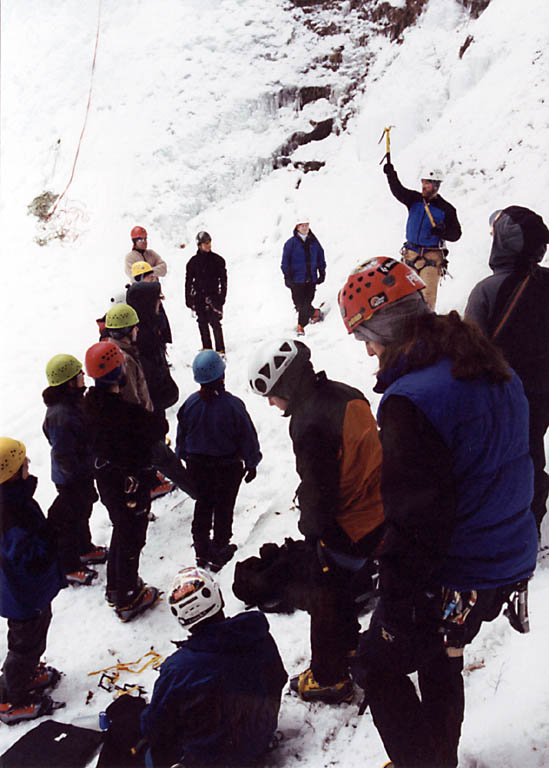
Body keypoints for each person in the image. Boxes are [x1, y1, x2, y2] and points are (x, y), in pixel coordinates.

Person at [338, 257, 537, 768]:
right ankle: (439, 757)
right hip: (501, 563)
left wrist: (399, 604)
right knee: (443, 653)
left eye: (367, 336)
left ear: (387, 328)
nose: (368, 350)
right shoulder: (491, 365)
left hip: (455, 570)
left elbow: (415, 521)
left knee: (376, 665)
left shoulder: (411, 401)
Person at [248, 338, 385, 704]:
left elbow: (319, 490)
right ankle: (352, 646)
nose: (271, 403)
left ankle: (329, 676)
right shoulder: (345, 393)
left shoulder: (309, 423)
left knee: (325, 590)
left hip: (350, 525)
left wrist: (313, 535)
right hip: (378, 512)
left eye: (273, 394)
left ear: (287, 384)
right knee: (340, 586)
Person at [140, 566, 287, 767]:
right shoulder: (256, 634)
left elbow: (154, 728)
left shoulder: (179, 669)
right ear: (218, 597)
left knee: (140, 747)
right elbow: (279, 678)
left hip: (212, 761)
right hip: (258, 738)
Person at [465, 206, 549, 536]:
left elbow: (470, 350)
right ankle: (532, 520)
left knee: (504, 461)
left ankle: (511, 529)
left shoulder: (487, 290)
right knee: (532, 450)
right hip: (544, 390)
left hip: (502, 393)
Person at [83, 342, 162, 622]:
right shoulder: (124, 414)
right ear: (118, 373)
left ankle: (116, 587)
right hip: (129, 482)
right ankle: (127, 596)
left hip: (107, 481)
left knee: (122, 528)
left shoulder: (89, 405)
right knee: (133, 535)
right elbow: (154, 428)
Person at [0, 438, 66, 725]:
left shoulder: (14, 498)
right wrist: (53, 534)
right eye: (22, 463)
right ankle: (10, 698)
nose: (28, 465)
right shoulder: (7, 512)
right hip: (21, 593)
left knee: (34, 634)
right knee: (25, 644)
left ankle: (24, 674)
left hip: (27, 590)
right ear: (11, 473)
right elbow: (26, 555)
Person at [176, 351, 261, 571]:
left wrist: (182, 456)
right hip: (227, 467)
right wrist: (252, 462)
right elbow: (247, 436)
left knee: (203, 504)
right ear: (222, 376)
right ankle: (220, 547)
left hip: (197, 466)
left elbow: (182, 435)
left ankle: (201, 548)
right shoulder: (233, 406)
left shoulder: (190, 404)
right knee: (224, 507)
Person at [42, 354, 107, 588]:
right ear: (69, 382)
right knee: (71, 520)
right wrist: (78, 472)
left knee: (83, 512)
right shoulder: (60, 414)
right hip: (71, 478)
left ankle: (84, 547)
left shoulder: (73, 402)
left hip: (81, 472)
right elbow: (62, 451)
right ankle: (69, 566)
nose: (83, 376)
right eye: (79, 374)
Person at [383, 162, 461, 308]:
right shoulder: (414, 199)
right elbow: (398, 190)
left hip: (431, 257)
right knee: (406, 294)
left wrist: (442, 231)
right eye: (423, 182)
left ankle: (426, 327)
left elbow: (456, 234)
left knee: (427, 298)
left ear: (436, 186)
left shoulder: (447, 210)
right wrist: (390, 174)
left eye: (427, 183)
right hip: (411, 254)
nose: (424, 186)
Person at [281, 218, 326, 334]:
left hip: (311, 278)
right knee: (298, 303)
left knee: (305, 302)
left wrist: (322, 271)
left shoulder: (314, 242)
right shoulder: (290, 243)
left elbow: (321, 256)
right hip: (296, 280)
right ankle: (315, 313)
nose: (305, 228)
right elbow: (285, 261)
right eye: (302, 226)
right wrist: (287, 276)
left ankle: (301, 326)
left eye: (307, 225)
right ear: (297, 228)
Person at [185, 231, 227, 355]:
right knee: (202, 322)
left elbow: (223, 280)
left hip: (213, 295)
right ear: (199, 245)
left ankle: (220, 349)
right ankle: (207, 348)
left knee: (215, 322)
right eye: (205, 243)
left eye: (209, 243)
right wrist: (188, 298)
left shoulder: (218, 260)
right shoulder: (193, 263)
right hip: (199, 296)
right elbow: (188, 282)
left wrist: (222, 296)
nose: (208, 245)